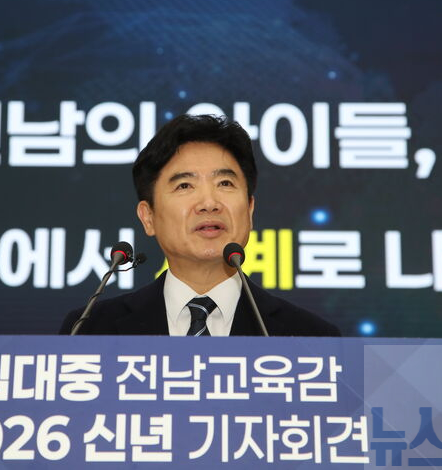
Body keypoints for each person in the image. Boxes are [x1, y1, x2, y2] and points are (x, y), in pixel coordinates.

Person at [60, 114, 340, 336]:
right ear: (148, 217)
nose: (209, 203)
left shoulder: (310, 337)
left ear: (250, 209)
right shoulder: (90, 330)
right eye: (185, 185)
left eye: (225, 183)